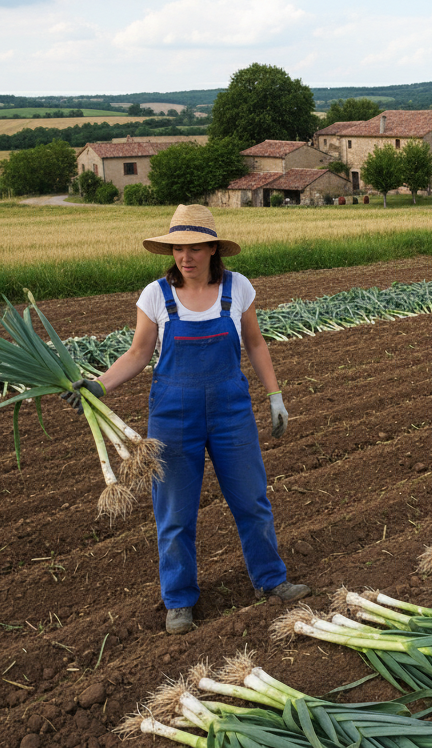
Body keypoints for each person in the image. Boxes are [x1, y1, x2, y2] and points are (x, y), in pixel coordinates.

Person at [65, 204, 309, 635]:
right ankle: (178, 600)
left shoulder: (238, 288)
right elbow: (138, 354)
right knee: (175, 513)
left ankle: (271, 580)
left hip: (231, 413)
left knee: (252, 501)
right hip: (174, 417)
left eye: (194, 248)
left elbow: (255, 344)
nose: (185, 256)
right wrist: (99, 386)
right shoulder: (156, 295)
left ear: (214, 249)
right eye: (178, 249)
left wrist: (275, 395)